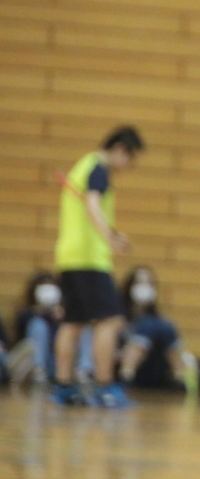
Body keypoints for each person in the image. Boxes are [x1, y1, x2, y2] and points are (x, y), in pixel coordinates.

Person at [51, 125, 145, 407]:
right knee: (109, 321)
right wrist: (111, 239)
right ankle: (105, 387)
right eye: (130, 158)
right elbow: (92, 205)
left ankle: (64, 386)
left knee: (72, 322)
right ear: (118, 150)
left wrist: (111, 234)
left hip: (69, 257)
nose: (130, 165)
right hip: (90, 260)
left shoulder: (84, 165)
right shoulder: (99, 170)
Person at [118, 265, 197, 392]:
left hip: (152, 367)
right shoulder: (118, 316)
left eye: (149, 283)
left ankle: (179, 377)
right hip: (122, 363)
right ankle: (126, 374)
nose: (144, 288)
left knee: (164, 327)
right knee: (149, 325)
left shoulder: (158, 321)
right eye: (139, 283)